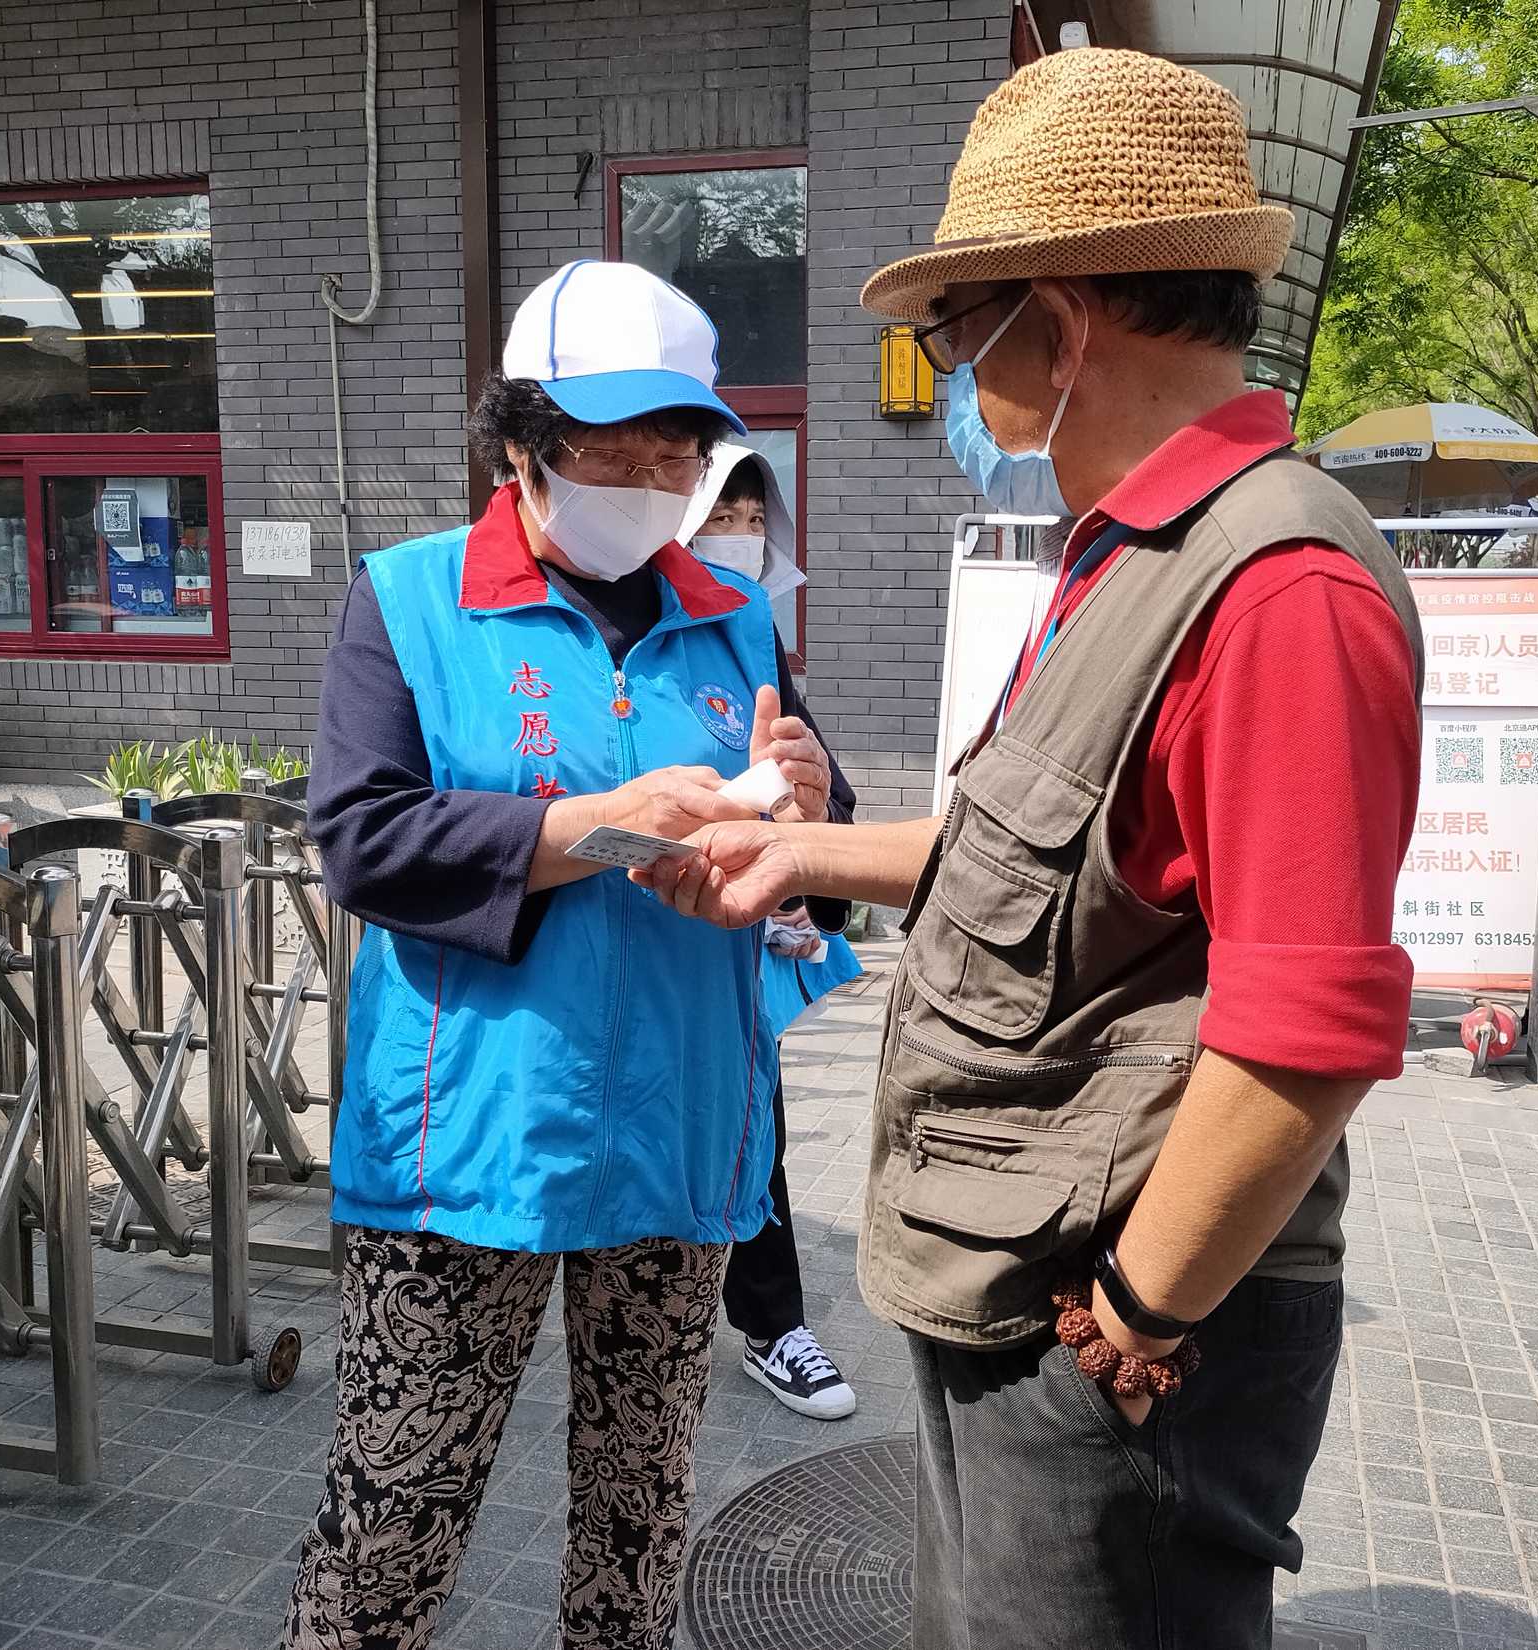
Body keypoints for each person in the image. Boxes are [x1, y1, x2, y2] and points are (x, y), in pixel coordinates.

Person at [637, 48, 1425, 1650]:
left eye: (956, 340)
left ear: (1057, 327)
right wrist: (805, 857)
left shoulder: (1279, 588)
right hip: (1030, 1287)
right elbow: (1034, 858)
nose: (954, 388)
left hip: (1115, 1320)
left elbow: (1306, 1030)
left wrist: (1134, 1317)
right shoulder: (1131, 553)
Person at [283, 258, 848, 1650]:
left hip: (679, 1133)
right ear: (522, 443)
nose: (648, 480)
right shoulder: (411, 599)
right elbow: (363, 839)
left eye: (675, 452)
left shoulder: (733, 616)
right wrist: (600, 826)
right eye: (609, 449)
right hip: (470, 1143)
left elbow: (808, 847)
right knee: (392, 1523)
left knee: (641, 1517)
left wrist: (810, 813)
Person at [680, 447, 862, 1420]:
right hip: (613, 947)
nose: (740, 539)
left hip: (728, 959)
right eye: (722, 518)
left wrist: (806, 849)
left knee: (753, 1131)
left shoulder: (751, 642)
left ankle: (772, 1325)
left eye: (754, 522)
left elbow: (826, 791)